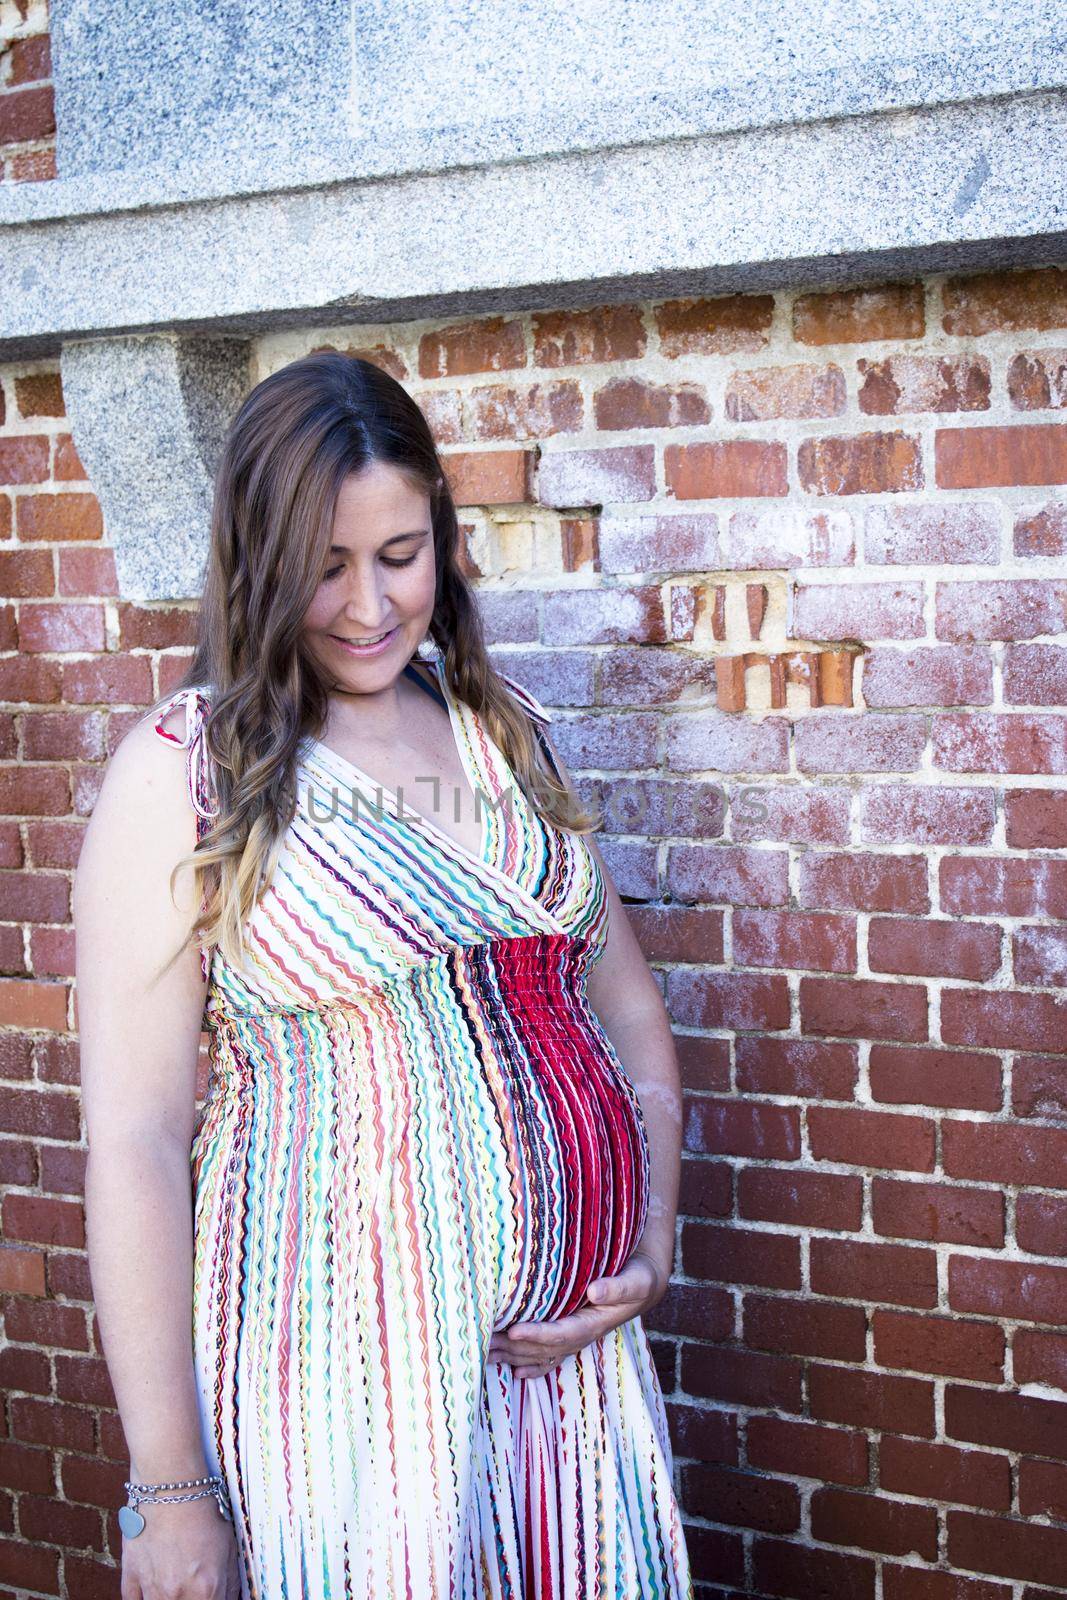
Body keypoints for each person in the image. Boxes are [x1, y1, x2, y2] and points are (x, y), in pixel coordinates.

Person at [73, 350, 693, 1599]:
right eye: (323, 564)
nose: (367, 604)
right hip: (344, 1393)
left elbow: (619, 1000)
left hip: (561, 1384)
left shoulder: (493, 726)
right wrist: (170, 1490)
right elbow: (135, 1138)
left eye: (399, 554)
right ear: (255, 559)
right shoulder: (185, 773)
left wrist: (651, 1227)